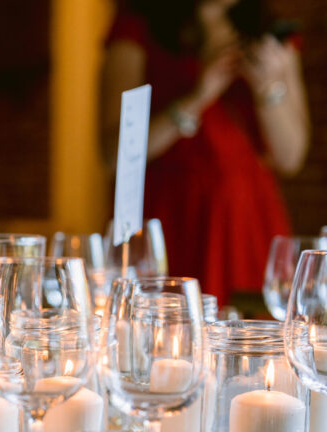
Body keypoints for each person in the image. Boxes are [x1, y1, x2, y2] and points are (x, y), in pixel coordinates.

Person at [100, 0, 309, 303]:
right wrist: (198, 96)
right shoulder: (137, 29)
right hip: (167, 216)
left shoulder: (272, 36)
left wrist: (268, 86)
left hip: (248, 222)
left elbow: (291, 158)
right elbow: (113, 154)